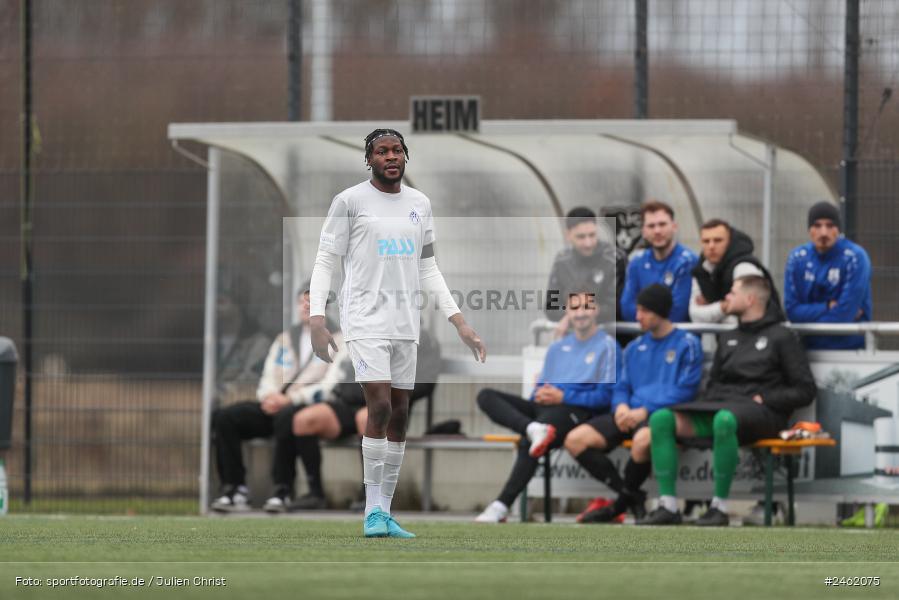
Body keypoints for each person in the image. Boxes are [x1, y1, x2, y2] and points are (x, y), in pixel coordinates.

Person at [309, 128, 486, 539]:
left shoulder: (420, 204)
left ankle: (385, 512)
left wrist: (459, 321)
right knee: (381, 406)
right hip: (364, 320)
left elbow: (428, 267)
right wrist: (318, 318)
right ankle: (371, 510)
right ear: (368, 159)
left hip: (406, 322)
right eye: (381, 151)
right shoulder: (349, 201)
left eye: (397, 150)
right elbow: (325, 260)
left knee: (401, 415)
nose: (391, 156)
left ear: (406, 156)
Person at [638, 275, 816, 526]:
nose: (727, 298)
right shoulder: (728, 337)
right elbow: (714, 384)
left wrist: (766, 397)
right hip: (722, 407)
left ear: (750, 299)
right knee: (661, 419)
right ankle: (667, 505)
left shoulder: (782, 337)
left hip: (762, 414)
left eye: (732, 293)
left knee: (724, 420)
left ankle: (718, 507)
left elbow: (805, 390)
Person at [475, 289, 622, 523]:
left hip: (575, 411)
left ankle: (501, 505)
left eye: (586, 307)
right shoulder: (557, 347)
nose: (580, 313)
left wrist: (564, 396)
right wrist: (541, 393)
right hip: (543, 408)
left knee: (532, 441)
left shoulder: (608, 346)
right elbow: (540, 387)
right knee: (486, 396)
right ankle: (531, 428)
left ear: (596, 310)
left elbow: (604, 398)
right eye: (574, 308)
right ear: (567, 312)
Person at [567, 284, 703, 523]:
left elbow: (685, 391)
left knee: (642, 441)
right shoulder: (633, 348)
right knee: (575, 439)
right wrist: (620, 407)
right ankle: (631, 497)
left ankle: (618, 506)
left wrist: (645, 411)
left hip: (661, 415)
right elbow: (621, 386)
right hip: (629, 413)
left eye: (644, 311)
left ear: (660, 311)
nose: (637, 316)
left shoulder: (687, 344)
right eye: (637, 309)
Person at [211, 287, 336, 513]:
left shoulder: (338, 340)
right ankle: (235, 489)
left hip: (304, 408)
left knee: (287, 418)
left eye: (312, 303)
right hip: (273, 405)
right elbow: (268, 375)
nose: (306, 307)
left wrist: (291, 399)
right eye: (302, 302)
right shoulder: (284, 339)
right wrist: (268, 397)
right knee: (225, 418)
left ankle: (282, 490)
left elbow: (330, 385)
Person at [290, 328, 441, 511]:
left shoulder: (421, 338)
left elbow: (425, 383)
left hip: (387, 406)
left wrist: (387, 394)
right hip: (350, 401)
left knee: (366, 419)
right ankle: (315, 495)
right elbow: (348, 370)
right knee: (304, 420)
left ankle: (370, 496)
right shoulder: (368, 328)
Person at [784, 201, 872, 350]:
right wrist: (826, 306)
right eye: (817, 226)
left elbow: (843, 316)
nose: (824, 232)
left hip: (850, 351)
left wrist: (807, 319)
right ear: (809, 229)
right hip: (807, 351)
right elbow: (792, 312)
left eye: (830, 225)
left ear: (838, 229)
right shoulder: (798, 258)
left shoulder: (855, 257)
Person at [545, 207, 626, 337]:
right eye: (581, 237)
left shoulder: (615, 259)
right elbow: (551, 306)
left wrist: (574, 315)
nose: (588, 243)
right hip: (573, 338)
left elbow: (617, 307)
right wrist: (574, 314)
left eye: (592, 235)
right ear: (568, 235)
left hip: (609, 337)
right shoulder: (561, 261)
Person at [690, 219, 783, 323]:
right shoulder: (701, 270)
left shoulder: (744, 267)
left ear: (730, 241)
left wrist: (714, 308)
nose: (711, 246)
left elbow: (750, 311)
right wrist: (724, 306)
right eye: (706, 241)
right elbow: (695, 316)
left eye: (718, 240)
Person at [620, 200, 698, 323]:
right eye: (651, 226)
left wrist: (645, 318)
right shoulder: (636, 262)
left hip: (676, 334)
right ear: (643, 232)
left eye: (662, 224)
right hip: (641, 333)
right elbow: (627, 308)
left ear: (674, 227)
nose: (657, 231)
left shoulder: (688, 262)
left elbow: (678, 312)